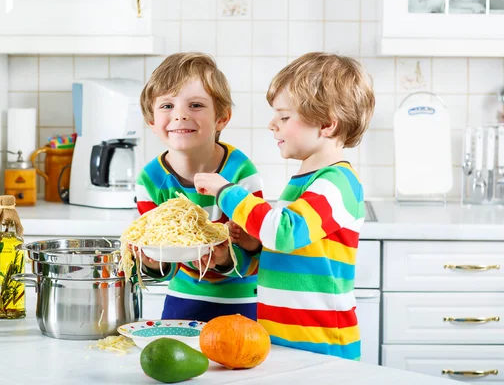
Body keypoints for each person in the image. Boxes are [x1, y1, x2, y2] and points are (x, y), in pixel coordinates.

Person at [193, 52, 375, 360]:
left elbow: (286, 233)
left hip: (323, 346)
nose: (272, 125)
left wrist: (225, 190)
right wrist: (252, 244)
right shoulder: (304, 181)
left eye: (284, 116)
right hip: (284, 339)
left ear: (328, 124)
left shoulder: (339, 182)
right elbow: (291, 248)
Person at [135, 52, 263, 322]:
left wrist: (226, 259)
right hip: (184, 298)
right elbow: (164, 266)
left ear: (222, 119)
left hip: (241, 299)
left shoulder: (240, 172)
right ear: (152, 122)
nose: (180, 115)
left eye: (195, 105)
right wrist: (151, 262)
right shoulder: (150, 180)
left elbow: (254, 251)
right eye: (167, 106)